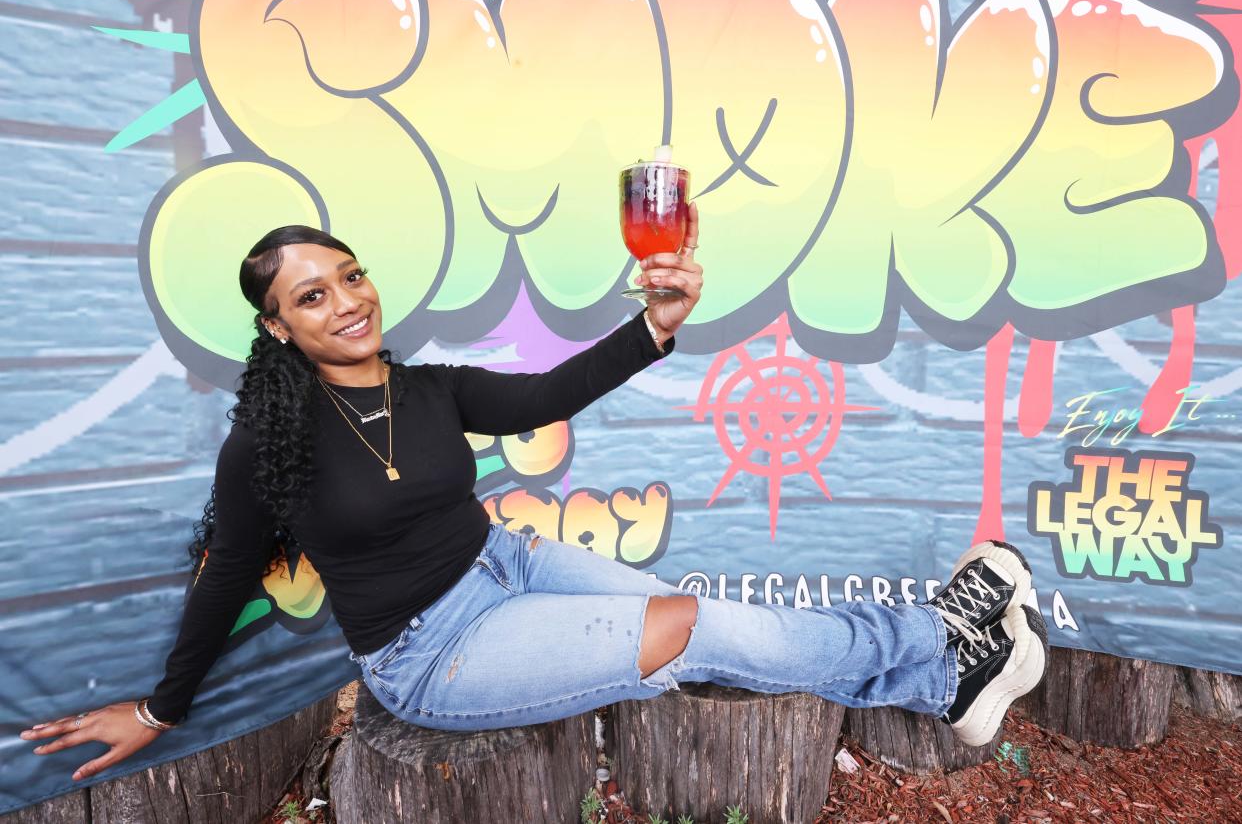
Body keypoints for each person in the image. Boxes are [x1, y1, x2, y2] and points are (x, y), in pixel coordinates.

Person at [21, 208, 1047, 783]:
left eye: (349, 273)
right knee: (688, 625)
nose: (346, 300)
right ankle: (939, 661)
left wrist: (655, 322)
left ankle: (936, 655)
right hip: (432, 652)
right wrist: (162, 706)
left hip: (507, 562)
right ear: (279, 326)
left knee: (714, 617)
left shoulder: (427, 388)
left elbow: (550, 391)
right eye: (311, 294)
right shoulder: (266, 442)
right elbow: (230, 572)